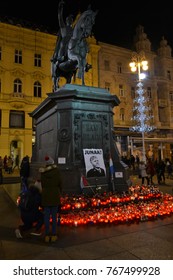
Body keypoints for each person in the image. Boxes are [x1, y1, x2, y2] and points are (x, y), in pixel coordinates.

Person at [39, 155, 62, 243]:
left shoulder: (43, 172)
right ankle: (54, 234)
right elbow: (60, 183)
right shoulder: (57, 171)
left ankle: (47, 234)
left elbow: (42, 184)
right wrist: (59, 191)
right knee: (54, 215)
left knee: (46, 216)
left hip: (46, 195)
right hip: (55, 195)